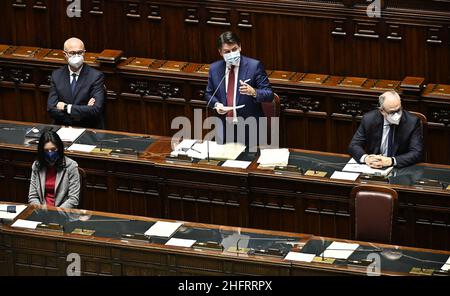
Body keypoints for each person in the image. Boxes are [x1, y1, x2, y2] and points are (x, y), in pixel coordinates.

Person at [204, 31, 273, 146]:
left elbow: (269, 94)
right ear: (220, 52)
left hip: (250, 128)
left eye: (234, 49)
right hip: (224, 128)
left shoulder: (254, 66)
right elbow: (208, 94)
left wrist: (254, 92)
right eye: (227, 51)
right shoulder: (215, 69)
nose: (232, 54)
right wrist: (217, 105)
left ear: (240, 47)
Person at [348, 90, 423, 168]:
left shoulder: (412, 122)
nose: (397, 115)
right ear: (382, 111)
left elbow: (417, 153)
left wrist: (391, 161)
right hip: (374, 167)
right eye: (392, 112)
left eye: (398, 110)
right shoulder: (369, 119)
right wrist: (367, 158)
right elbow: (354, 145)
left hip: (400, 169)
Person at [47, 37, 105, 129]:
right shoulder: (57, 75)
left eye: (80, 52)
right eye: (72, 53)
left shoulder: (95, 76)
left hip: (88, 128)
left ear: (84, 53)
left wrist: (66, 108)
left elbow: (95, 109)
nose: (77, 56)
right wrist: (83, 110)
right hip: (63, 127)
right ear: (64, 54)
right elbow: (51, 108)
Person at [28, 131, 80, 208]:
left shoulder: (71, 166)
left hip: (63, 213)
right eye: (46, 150)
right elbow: (32, 196)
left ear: (59, 148)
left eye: (53, 149)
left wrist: (56, 213)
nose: (50, 153)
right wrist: (41, 210)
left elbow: (73, 199)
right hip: (42, 211)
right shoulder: (37, 166)